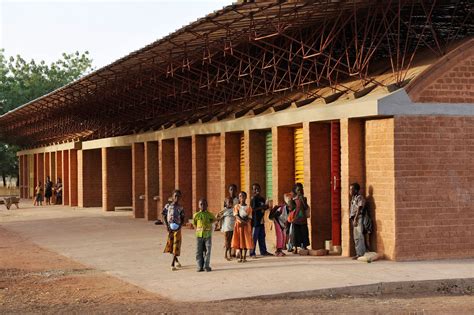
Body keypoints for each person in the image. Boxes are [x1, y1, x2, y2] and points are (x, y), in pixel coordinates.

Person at [162, 190, 185, 271]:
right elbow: (164, 215)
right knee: (171, 245)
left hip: (177, 229)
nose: (177, 198)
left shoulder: (180, 208)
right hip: (170, 229)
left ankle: (172, 264)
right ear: (172, 197)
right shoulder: (168, 206)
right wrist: (167, 225)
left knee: (176, 245)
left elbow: (183, 219)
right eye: (175, 196)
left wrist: (180, 226)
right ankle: (176, 261)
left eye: (178, 196)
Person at [249, 183, 273, 257]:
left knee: (262, 236)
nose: (257, 190)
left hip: (261, 221)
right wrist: (261, 207)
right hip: (255, 221)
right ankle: (252, 252)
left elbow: (264, 208)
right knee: (254, 237)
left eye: (258, 189)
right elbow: (253, 209)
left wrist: (266, 207)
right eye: (255, 189)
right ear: (252, 191)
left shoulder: (262, 199)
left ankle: (263, 251)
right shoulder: (253, 199)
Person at [193, 198, 216, 272]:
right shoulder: (196, 215)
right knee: (198, 251)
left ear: (207, 205)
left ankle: (206, 265)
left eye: (204, 204)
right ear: (198, 206)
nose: (203, 206)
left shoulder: (210, 215)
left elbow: (214, 220)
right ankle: (199, 266)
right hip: (199, 235)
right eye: (201, 204)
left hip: (207, 235)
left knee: (207, 251)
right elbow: (195, 223)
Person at [231, 191, 254, 263]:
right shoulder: (236, 207)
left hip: (246, 226)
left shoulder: (249, 207)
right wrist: (242, 221)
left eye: (243, 196)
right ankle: (240, 256)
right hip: (239, 226)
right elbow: (236, 215)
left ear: (246, 197)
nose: (242, 198)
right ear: (238, 198)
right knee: (240, 240)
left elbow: (250, 217)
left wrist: (246, 222)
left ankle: (244, 256)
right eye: (240, 196)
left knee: (246, 240)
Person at [290, 183, 310, 254]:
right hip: (296, 219)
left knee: (304, 233)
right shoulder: (293, 199)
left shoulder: (304, 199)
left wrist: (302, 200)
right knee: (295, 234)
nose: (299, 191)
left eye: (300, 190)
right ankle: (295, 248)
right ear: (295, 191)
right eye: (298, 190)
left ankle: (304, 246)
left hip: (303, 219)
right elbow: (291, 208)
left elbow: (305, 207)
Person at [349, 182, 366, 259]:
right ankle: (358, 253)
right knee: (356, 236)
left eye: (351, 189)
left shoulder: (359, 197)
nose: (350, 191)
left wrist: (355, 218)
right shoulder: (353, 198)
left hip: (358, 218)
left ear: (356, 190)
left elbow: (360, 207)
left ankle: (361, 254)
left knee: (359, 236)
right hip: (354, 219)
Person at [220, 197, 235, 261]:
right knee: (227, 241)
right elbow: (219, 217)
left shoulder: (233, 209)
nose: (230, 203)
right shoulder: (224, 210)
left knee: (231, 241)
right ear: (226, 203)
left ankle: (230, 254)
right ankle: (226, 254)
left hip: (232, 227)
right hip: (226, 228)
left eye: (232, 202)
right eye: (229, 202)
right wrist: (220, 226)